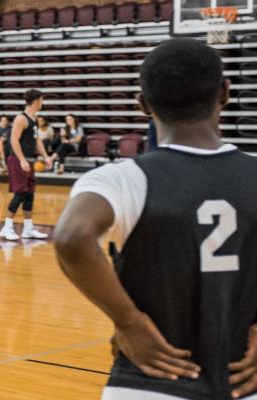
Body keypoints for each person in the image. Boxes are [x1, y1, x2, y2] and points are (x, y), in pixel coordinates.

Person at [53, 38, 257, 400]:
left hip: (149, 382)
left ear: (143, 104)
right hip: (242, 381)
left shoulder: (122, 178)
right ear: (225, 93)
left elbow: (72, 236)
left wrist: (128, 321)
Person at [0, 89, 52, 241]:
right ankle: (6, 227)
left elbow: (37, 141)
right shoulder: (20, 119)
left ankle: (28, 229)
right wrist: (22, 160)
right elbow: (13, 140)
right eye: (41, 100)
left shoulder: (34, 118)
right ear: (35, 101)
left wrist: (46, 157)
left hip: (29, 160)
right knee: (20, 193)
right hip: (17, 160)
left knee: (29, 193)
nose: (42, 103)